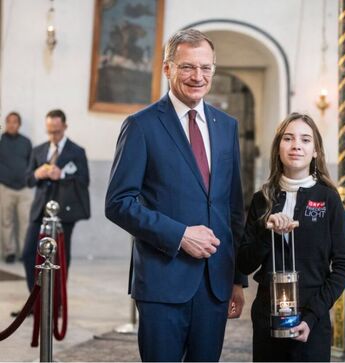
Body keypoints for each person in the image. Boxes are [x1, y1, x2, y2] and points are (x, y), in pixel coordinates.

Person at [105, 29, 246, 362]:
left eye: (206, 67)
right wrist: (180, 235)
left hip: (215, 283)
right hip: (162, 280)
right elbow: (118, 203)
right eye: (187, 67)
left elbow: (233, 208)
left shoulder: (226, 126)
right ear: (167, 69)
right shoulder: (141, 125)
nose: (198, 76)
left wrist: (237, 279)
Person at [237, 113, 345, 362]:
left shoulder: (328, 199)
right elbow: (244, 263)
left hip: (312, 318)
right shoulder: (262, 199)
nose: (296, 145)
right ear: (278, 147)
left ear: (315, 151)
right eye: (288, 138)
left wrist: (312, 316)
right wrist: (267, 232)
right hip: (267, 317)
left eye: (305, 139)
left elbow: (344, 267)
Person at [22, 109, 90, 291]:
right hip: (39, 211)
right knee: (28, 253)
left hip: (64, 211)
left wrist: (62, 175)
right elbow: (28, 180)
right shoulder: (39, 150)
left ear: (65, 127)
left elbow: (84, 180)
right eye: (49, 131)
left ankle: (57, 302)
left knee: (60, 257)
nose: (53, 135)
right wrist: (37, 173)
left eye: (57, 131)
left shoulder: (77, 151)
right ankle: (34, 302)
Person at [0, 112, 32, 263]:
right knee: (6, 221)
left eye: (15, 122)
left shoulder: (26, 142)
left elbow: (31, 163)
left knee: (25, 222)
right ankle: (9, 252)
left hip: (24, 189)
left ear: (19, 124)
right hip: (5, 187)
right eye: (9, 122)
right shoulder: (1, 141)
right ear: (6, 123)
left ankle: (24, 253)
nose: (12, 124)